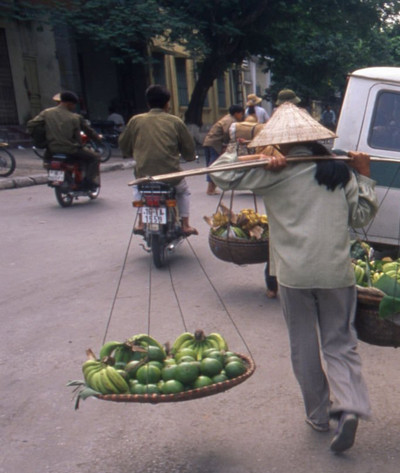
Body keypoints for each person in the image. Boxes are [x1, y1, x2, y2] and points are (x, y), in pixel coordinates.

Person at [211, 103, 379, 454]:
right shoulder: (340, 172)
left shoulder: (272, 171)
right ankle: (349, 403)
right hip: (336, 273)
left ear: (279, 143)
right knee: (340, 343)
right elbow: (361, 216)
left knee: (303, 345)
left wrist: (244, 155)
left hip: (292, 275)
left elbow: (218, 174)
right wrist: (363, 174)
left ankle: (319, 416)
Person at [119, 84, 199, 235]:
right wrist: (189, 157)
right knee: (183, 192)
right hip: (171, 176)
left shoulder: (135, 120)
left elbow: (124, 143)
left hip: (144, 175)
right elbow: (188, 148)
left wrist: (128, 152)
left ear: (148, 103)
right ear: (167, 103)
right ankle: (185, 225)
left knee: (138, 187)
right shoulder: (175, 121)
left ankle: (141, 223)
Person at [27, 90, 101, 191]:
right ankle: (88, 183)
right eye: (74, 105)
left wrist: (41, 137)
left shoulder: (47, 113)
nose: (74, 107)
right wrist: (98, 138)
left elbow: (31, 124)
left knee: (47, 162)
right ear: (69, 103)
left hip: (52, 149)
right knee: (95, 157)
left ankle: (56, 177)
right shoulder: (75, 117)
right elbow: (89, 132)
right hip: (71, 149)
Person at [201, 104, 245, 195]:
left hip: (209, 141)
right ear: (236, 113)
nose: (242, 116)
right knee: (214, 166)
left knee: (211, 166)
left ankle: (211, 188)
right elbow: (227, 133)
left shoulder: (227, 118)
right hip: (214, 143)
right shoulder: (230, 120)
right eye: (241, 113)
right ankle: (210, 189)